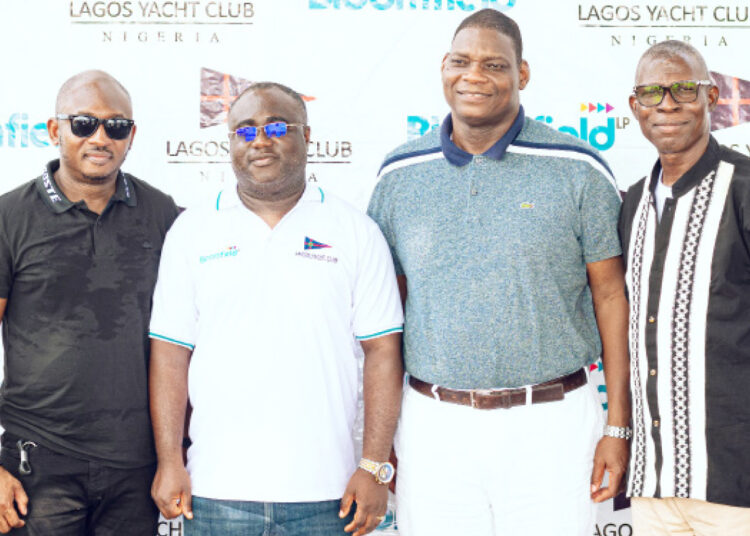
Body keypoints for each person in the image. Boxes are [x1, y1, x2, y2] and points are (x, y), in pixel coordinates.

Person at [367, 9, 630, 536]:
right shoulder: (399, 174)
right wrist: (381, 440)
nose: (474, 77)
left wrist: (618, 426)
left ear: (522, 74)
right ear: (443, 67)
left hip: (551, 420)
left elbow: (610, 297)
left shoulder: (578, 167)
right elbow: (386, 316)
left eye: (494, 65)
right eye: (461, 62)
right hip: (433, 423)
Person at [148, 82, 404, 536]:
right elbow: (170, 353)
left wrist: (374, 466)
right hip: (216, 492)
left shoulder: (356, 231)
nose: (260, 140)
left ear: (308, 137)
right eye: (245, 131)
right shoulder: (191, 231)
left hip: (330, 494)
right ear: (230, 143)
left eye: (276, 127)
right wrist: (170, 460)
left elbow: (384, 351)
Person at [0, 70, 179, 535]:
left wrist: (172, 457)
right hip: (36, 463)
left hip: (137, 466)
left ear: (131, 136)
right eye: (84, 124)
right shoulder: (8, 217)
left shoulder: (162, 213)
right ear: (55, 130)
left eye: (116, 126)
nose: (100, 137)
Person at [620, 40, 750, 535]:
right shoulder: (631, 204)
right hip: (654, 482)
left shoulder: (743, 189)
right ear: (635, 107)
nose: (667, 104)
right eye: (652, 92)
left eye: (683, 89)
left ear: (711, 98)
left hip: (735, 484)